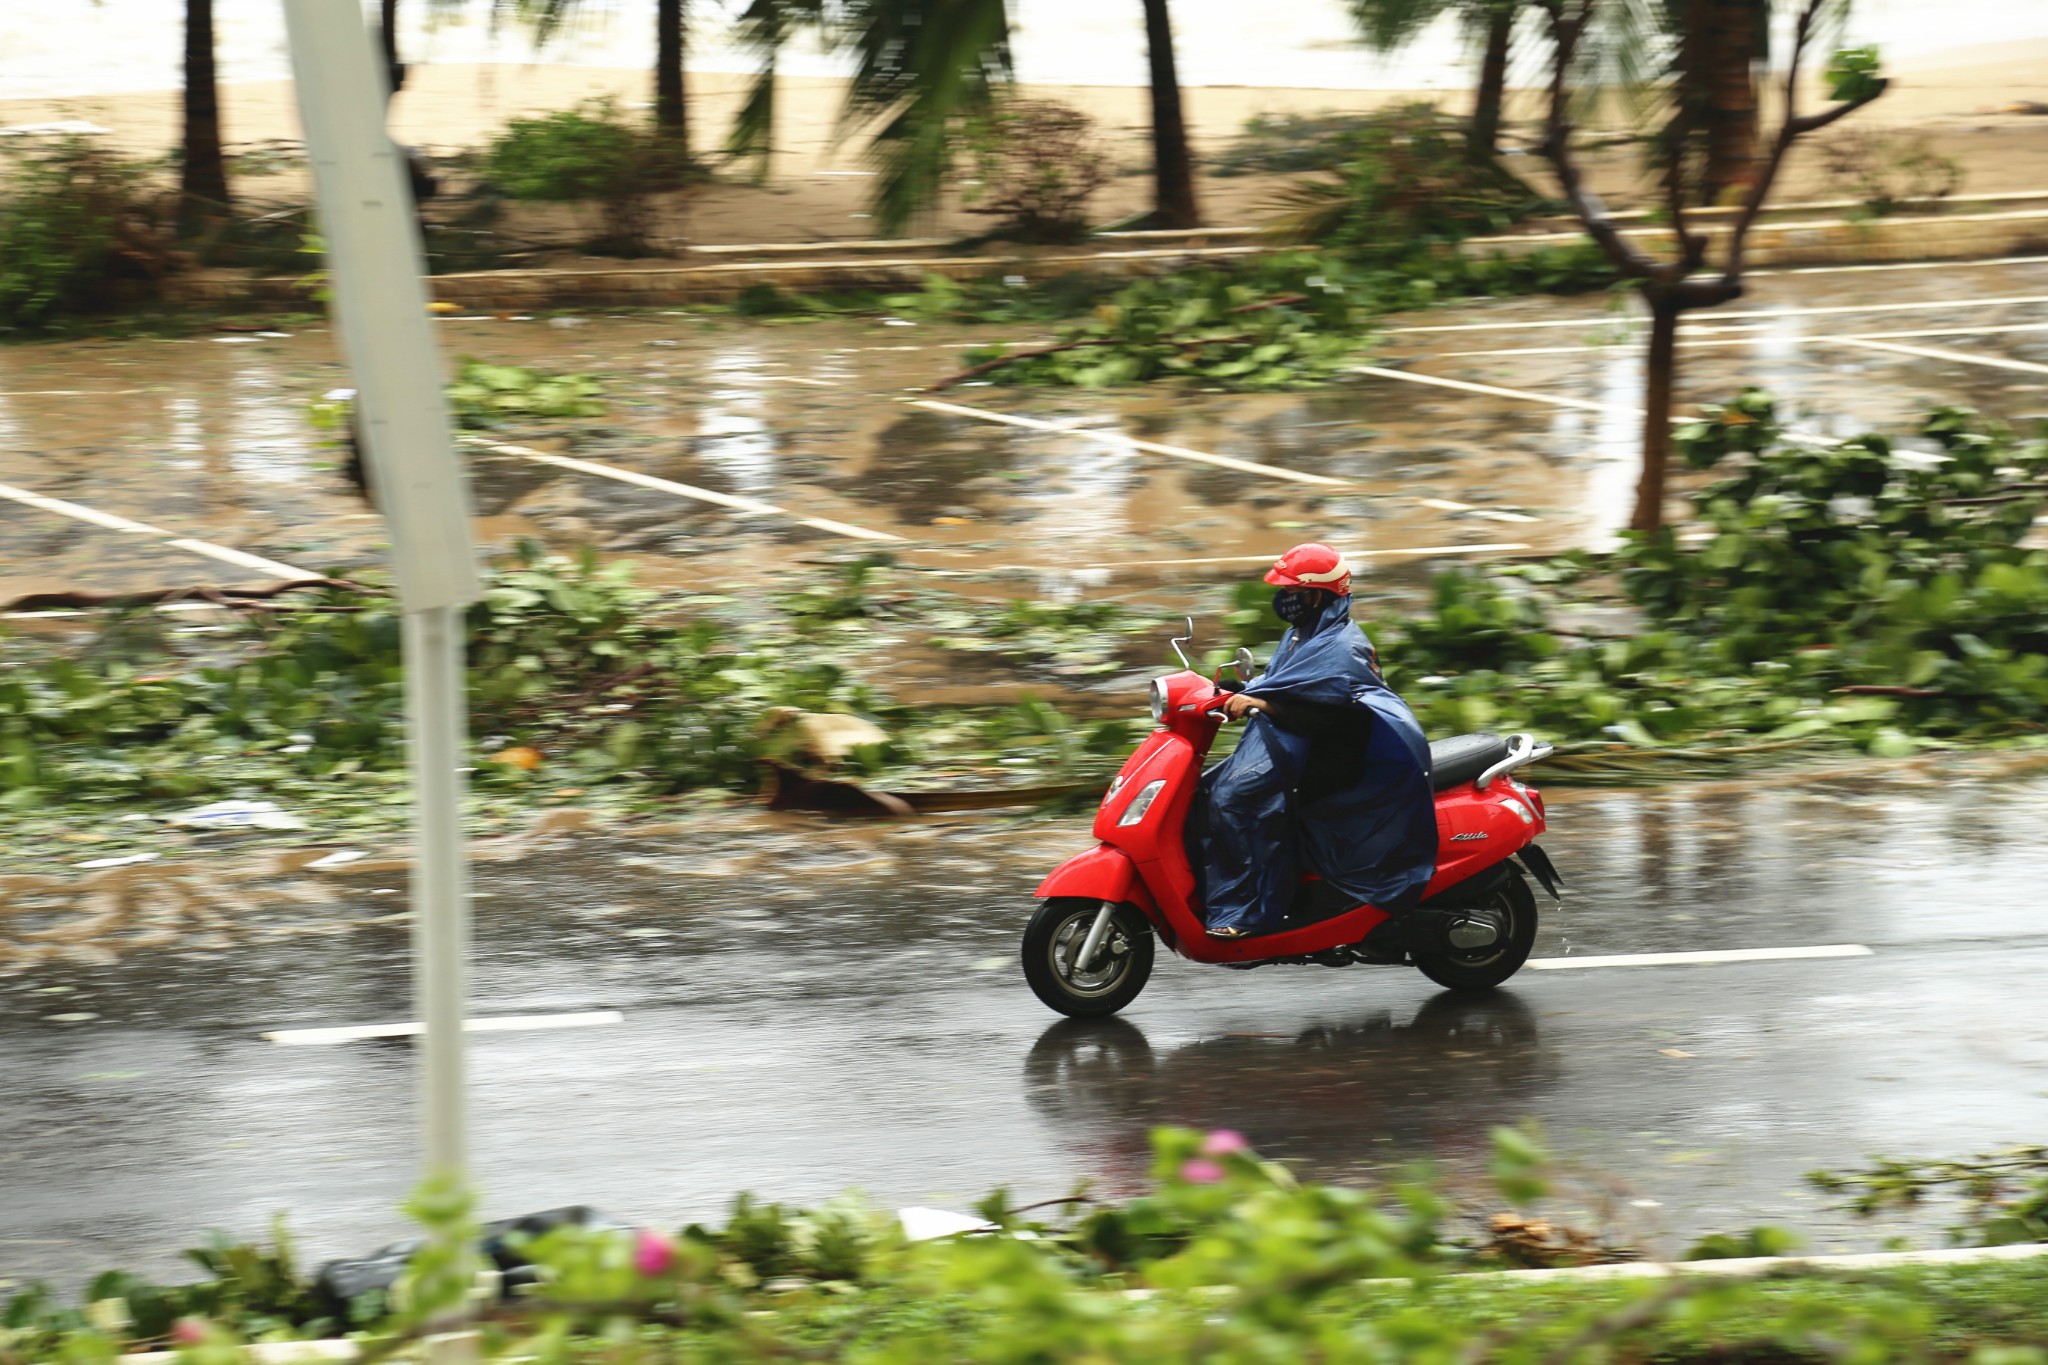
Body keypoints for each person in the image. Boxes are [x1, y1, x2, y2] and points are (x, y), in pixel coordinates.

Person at [1187, 543, 1437, 938]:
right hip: (1298, 745)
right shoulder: (1300, 635)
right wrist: (1235, 688)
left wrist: (1262, 705)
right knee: (1204, 792)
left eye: (1291, 592)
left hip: (1330, 759)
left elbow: (1324, 715)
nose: (1283, 600)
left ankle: (1252, 912)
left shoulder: (1343, 647)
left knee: (1235, 800)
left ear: (1317, 595)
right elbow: (1283, 685)